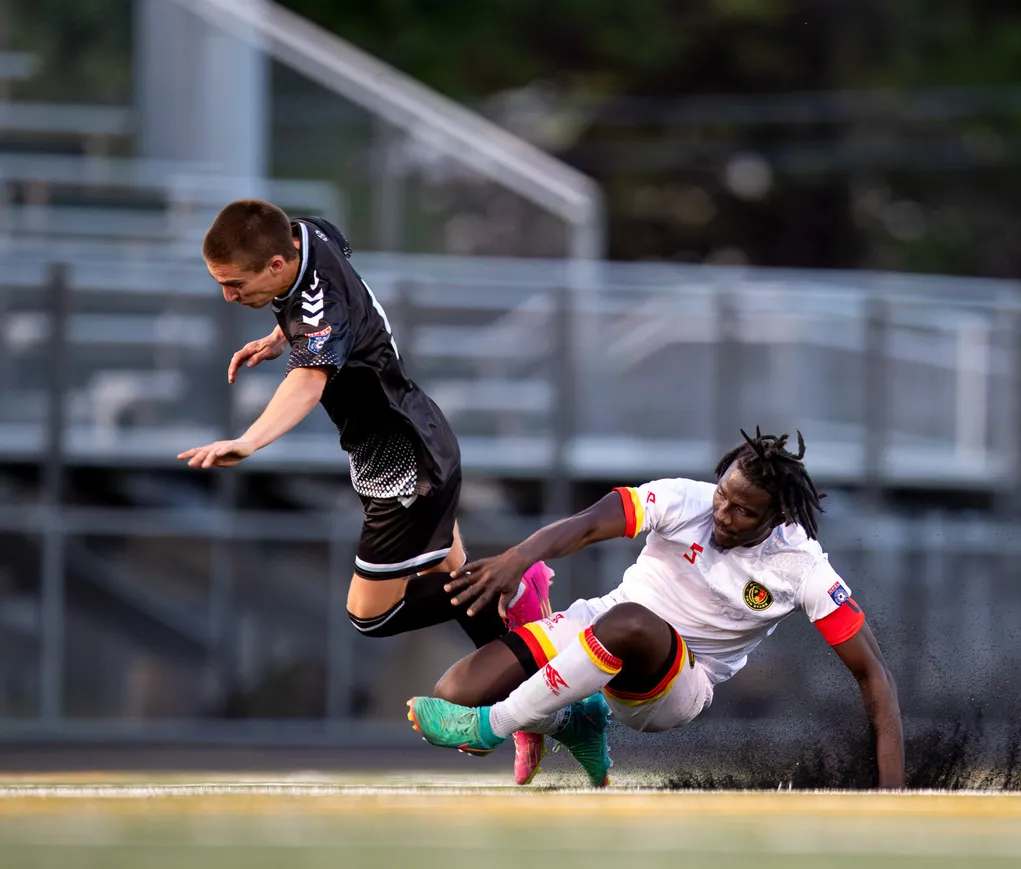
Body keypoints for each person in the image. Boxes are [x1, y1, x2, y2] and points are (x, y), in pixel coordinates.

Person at [177, 199, 552, 783]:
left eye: (234, 284)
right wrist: (285, 333)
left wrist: (248, 441)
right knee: (463, 591)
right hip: (418, 436)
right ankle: (537, 705)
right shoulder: (309, 232)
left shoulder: (314, 299)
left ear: (278, 264)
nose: (227, 296)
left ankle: (519, 584)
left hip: (404, 467)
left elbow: (307, 382)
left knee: (371, 618)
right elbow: (331, 280)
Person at [403, 429, 905, 789]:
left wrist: (893, 792)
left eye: (743, 511)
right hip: (604, 621)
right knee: (456, 690)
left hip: (678, 684)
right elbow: (587, 523)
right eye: (723, 497)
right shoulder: (685, 499)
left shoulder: (803, 568)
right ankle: (572, 721)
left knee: (630, 623)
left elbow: (873, 673)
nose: (722, 515)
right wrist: (518, 557)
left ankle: (494, 726)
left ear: (778, 516)